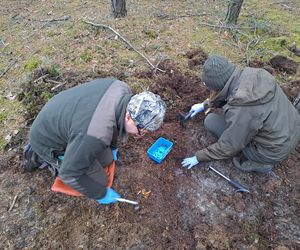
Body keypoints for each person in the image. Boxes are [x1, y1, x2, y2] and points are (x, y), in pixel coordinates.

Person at [23, 78, 166, 204]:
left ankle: (77, 150)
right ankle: (38, 156)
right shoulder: (95, 134)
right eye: (142, 131)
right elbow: (70, 173)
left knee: (107, 158)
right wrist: (100, 194)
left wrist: (114, 147)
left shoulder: (121, 88)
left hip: (68, 118)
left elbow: (114, 123)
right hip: (48, 140)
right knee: (100, 182)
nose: (142, 135)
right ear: (128, 117)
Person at [182, 55, 300, 173]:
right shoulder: (254, 74)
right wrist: (204, 105)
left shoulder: (241, 108)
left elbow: (229, 146)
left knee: (211, 121)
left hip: (273, 151)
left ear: (218, 86)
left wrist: (198, 157)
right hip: (292, 129)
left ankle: (261, 163)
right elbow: (226, 91)